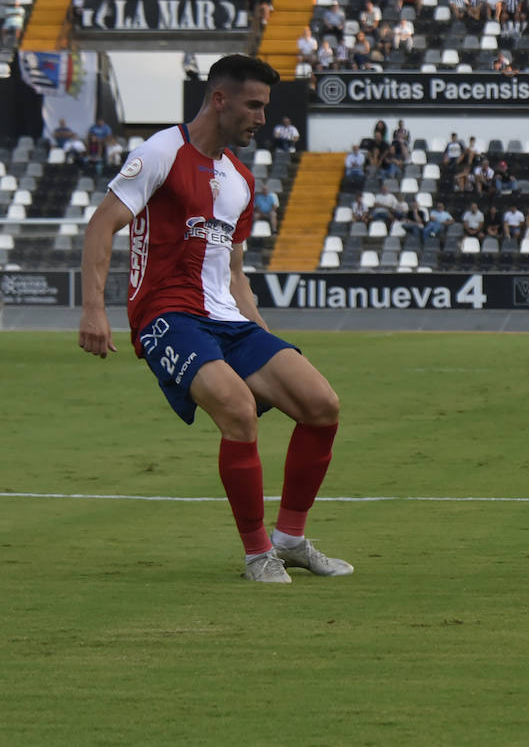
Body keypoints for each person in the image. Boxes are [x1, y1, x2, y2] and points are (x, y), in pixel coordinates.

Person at [77, 54, 350, 585]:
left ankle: (290, 538)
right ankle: (257, 555)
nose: (262, 118)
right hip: (166, 317)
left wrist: (267, 342)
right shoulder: (161, 151)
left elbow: (236, 273)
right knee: (238, 410)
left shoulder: (240, 180)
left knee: (321, 404)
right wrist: (94, 311)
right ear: (219, 100)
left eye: (265, 107)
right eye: (254, 105)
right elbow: (100, 225)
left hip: (227, 318)